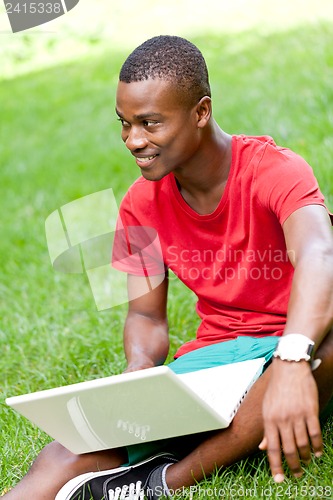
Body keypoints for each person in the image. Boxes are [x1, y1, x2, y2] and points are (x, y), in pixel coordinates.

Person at [5, 35, 333, 500]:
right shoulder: (140, 204)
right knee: (79, 447)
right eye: (125, 124)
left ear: (201, 112)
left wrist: (293, 358)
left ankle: (159, 482)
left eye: (150, 123)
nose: (133, 140)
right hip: (218, 361)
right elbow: (144, 316)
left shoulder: (275, 171)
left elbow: (321, 255)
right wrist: (140, 370)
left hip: (298, 341)